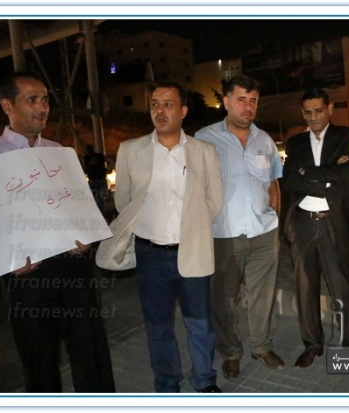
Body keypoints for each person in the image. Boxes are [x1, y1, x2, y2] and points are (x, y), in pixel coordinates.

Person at [0, 72, 115, 393]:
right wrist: (4, 262)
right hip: (27, 276)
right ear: (7, 106)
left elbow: (77, 208)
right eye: (32, 100)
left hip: (74, 267)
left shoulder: (60, 153)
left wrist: (86, 237)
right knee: (38, 358)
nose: (42, 107)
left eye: (45, 99)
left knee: (90, 350)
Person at [113, 82, 223, 393]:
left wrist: (192, 229)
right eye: (154, 104)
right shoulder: (130, 150)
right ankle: (167, 384)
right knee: (158, 326)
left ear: (183, 111)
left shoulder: (204, 151)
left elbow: (214, 200)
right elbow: (124, 201)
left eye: (168, 104)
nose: (160, 110)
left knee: (200, 324)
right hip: (150, 255)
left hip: (193, 251)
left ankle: (204, 380)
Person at [195, 76, 285, 379]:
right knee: (224, 300)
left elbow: (273, 185)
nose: (248, 107)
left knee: (263, 296)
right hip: (223, 234)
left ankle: (262, 346)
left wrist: (275, 223)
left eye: (253, 100)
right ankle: (231, 353)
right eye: (241, 100)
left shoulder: (265, 140)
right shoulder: (204, 139)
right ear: (226, 101)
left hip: (263, 233)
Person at [282, 88, 349, 368]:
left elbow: (346, 171)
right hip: (303, 223)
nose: (313, 117)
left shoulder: (345, 136)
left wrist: (308, 172)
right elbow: (289, 180)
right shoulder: (295, 143)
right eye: (308, 112)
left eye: (318, 110)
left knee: (343, 286)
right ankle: (312, 344)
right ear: (302, 113)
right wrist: (325, 178)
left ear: (329, 109)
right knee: (305, 286)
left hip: (333, 222)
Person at [83, 144, 108, 215]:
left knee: (92, 198)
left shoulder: (86, 158)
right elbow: (107, 161)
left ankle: (94, 213)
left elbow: (85, 168)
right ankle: (101, 213)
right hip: (101, 178)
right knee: (101, 199)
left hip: (92, 179)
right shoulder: (99, 156)